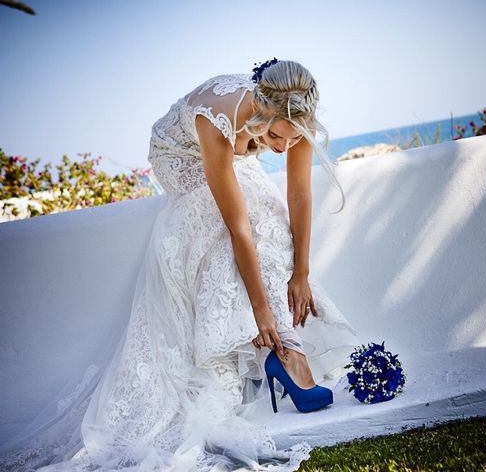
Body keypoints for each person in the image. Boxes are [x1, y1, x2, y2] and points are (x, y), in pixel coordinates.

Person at [8, 59, 360, 472]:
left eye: (292, 137)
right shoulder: (217, 121)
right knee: (236, 222)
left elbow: (299, 195)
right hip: (181, 157)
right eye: (277, 138)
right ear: (262, 115)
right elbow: (239, 229)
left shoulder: (294, 114)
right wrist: (260, 309)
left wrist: (300, 273)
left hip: (232, 154)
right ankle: (287, 355)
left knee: (272, 216)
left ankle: (285, 351)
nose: (282, 148)